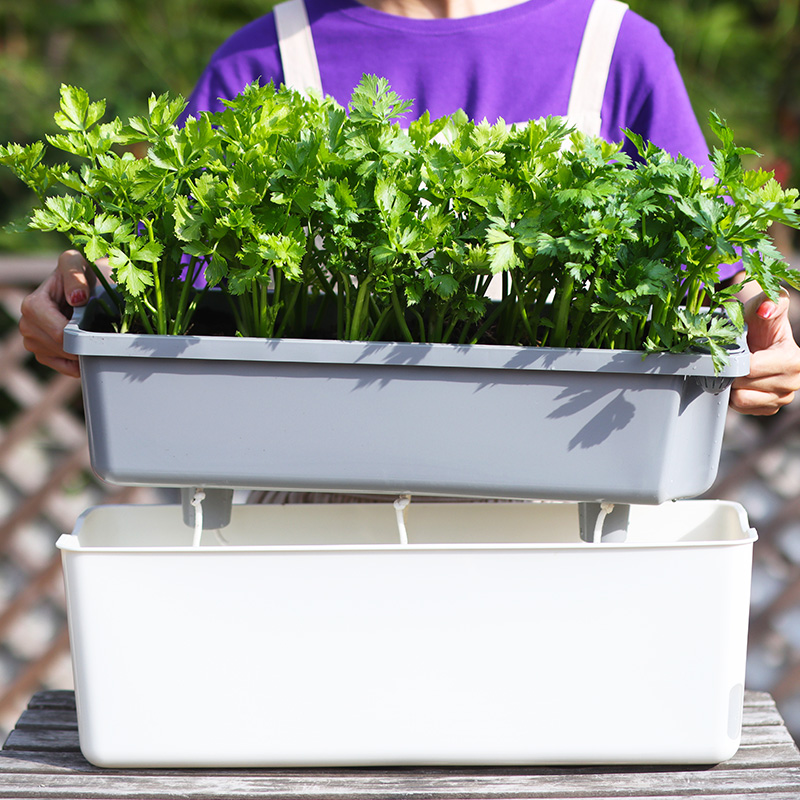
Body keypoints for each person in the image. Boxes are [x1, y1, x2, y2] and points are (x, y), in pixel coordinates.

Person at [18, 0, 800, 415]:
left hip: (570, 515)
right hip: (302, 527)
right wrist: (84, 288)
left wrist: (760, 331)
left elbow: (718, 270)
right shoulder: (263, 58)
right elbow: (160, 285)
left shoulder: (614, 47)